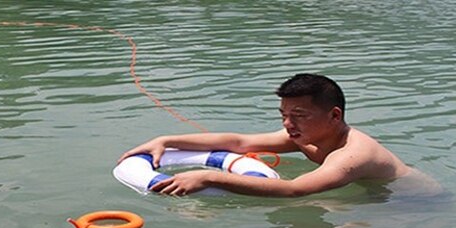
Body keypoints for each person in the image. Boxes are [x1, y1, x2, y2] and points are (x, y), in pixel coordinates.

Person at [119, 73, 413, 197]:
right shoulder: (304, 136)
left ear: (334, 116)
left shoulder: (353, 155)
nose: (287, 124)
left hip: (411, 200)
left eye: (298, 116)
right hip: (375, 194)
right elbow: (240, 142)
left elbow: (294, 190)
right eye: (283, 115)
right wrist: (166, 140)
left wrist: (208, 177)